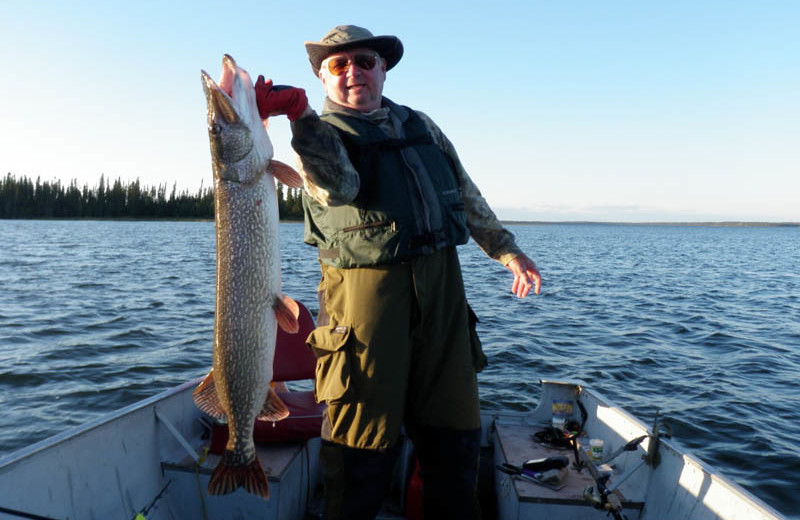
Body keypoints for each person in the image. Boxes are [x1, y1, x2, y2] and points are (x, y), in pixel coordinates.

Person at [255, 25, 541, 520]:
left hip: (443, 294)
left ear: (382, 69)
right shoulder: (317, 138)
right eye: (338, 66)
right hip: (364, 305)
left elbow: (464, 193)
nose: (353, 72)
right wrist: (300, 116)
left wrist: (508, 251)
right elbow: (338, 189)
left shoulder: (422, 126)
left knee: (454, 442)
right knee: (359, 452)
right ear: (322, 80)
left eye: (364, 61)